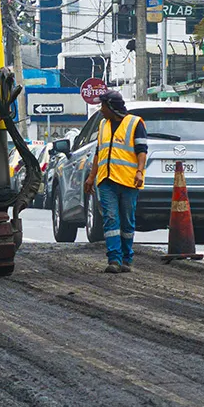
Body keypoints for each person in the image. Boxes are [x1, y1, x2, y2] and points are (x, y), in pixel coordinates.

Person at [83, 91, 148, 274]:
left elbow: (142, 150)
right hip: (106, 180)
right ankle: (114, 259)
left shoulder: (135, 124)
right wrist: (91, 177)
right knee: (110, 218)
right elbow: (98, 152)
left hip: (128, 180)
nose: (101, 110)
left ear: (111, 107)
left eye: (103, 106)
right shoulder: (103, 125)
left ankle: (127, 258)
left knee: (127, 221)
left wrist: (139, 172)